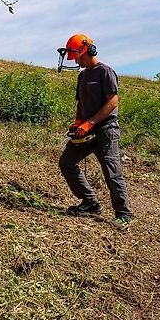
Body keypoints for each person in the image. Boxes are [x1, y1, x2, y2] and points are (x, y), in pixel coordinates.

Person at [57, 34, 133, 229]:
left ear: (89, 51)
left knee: (111, 170)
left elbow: (113, 101)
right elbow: (80, 102)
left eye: (79, 58)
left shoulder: (105, 72)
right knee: (66, 162)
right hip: (86, 130)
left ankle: (124, 214)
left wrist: (89, 123)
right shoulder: (82, 76)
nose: (77, 62)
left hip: (106, 130)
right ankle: (90, 201)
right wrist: (78, 121)